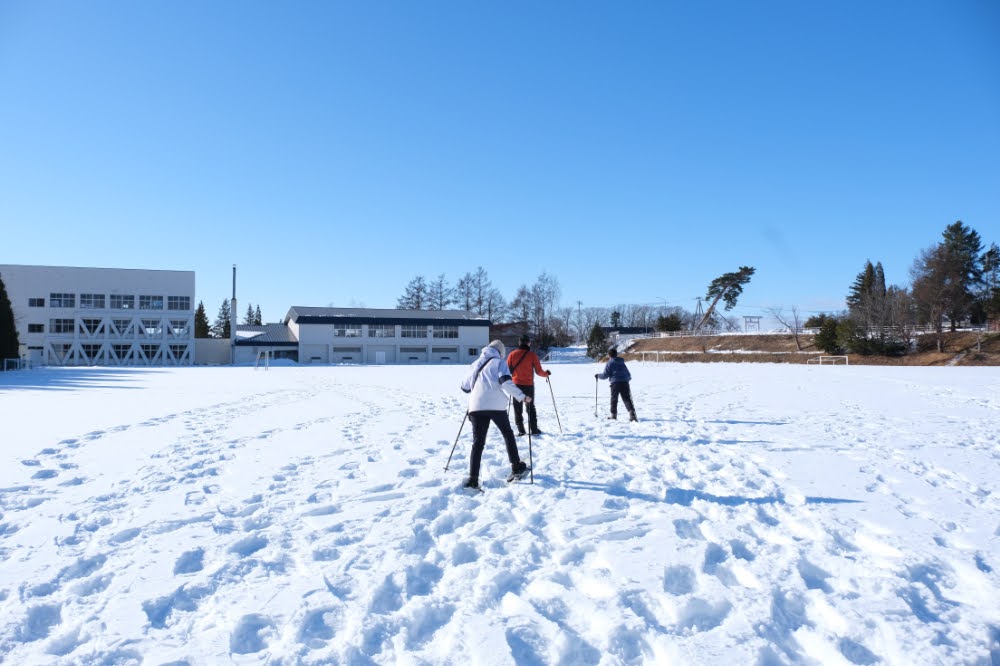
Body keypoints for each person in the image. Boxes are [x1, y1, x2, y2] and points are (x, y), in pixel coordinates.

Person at [460, 340, 532, 489]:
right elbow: (505, 382)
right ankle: (516, 466)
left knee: (478, 443)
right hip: (496, 406)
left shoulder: (474, 364)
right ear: (500, 352)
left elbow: (465, 387)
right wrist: (522, 396)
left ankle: (473, 478)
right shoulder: (499, 363)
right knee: (507, 433)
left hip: (476, 406)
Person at [506, 334, 552, 436]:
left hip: (515, 385)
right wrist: (546, 374)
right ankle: (534, 430)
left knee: (517, 409)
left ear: (519, 343)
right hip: (528, 386)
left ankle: (521, 430)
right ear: (528, 343)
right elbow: (539, 371)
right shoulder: (532, 355)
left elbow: (507, 370)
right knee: (530, 408)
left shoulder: (512, 355)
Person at [595, 347, 637, 421]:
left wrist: (598, 376)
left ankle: (613, 415)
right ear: (616, 354)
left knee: (614, 399)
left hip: (615, 383)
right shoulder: (621, 362)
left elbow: (605, 375)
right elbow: (627, 373)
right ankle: (632, 414)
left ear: (609, 355)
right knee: (626, 398)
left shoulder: (610, 363)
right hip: (624, 382)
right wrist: (627, 379)